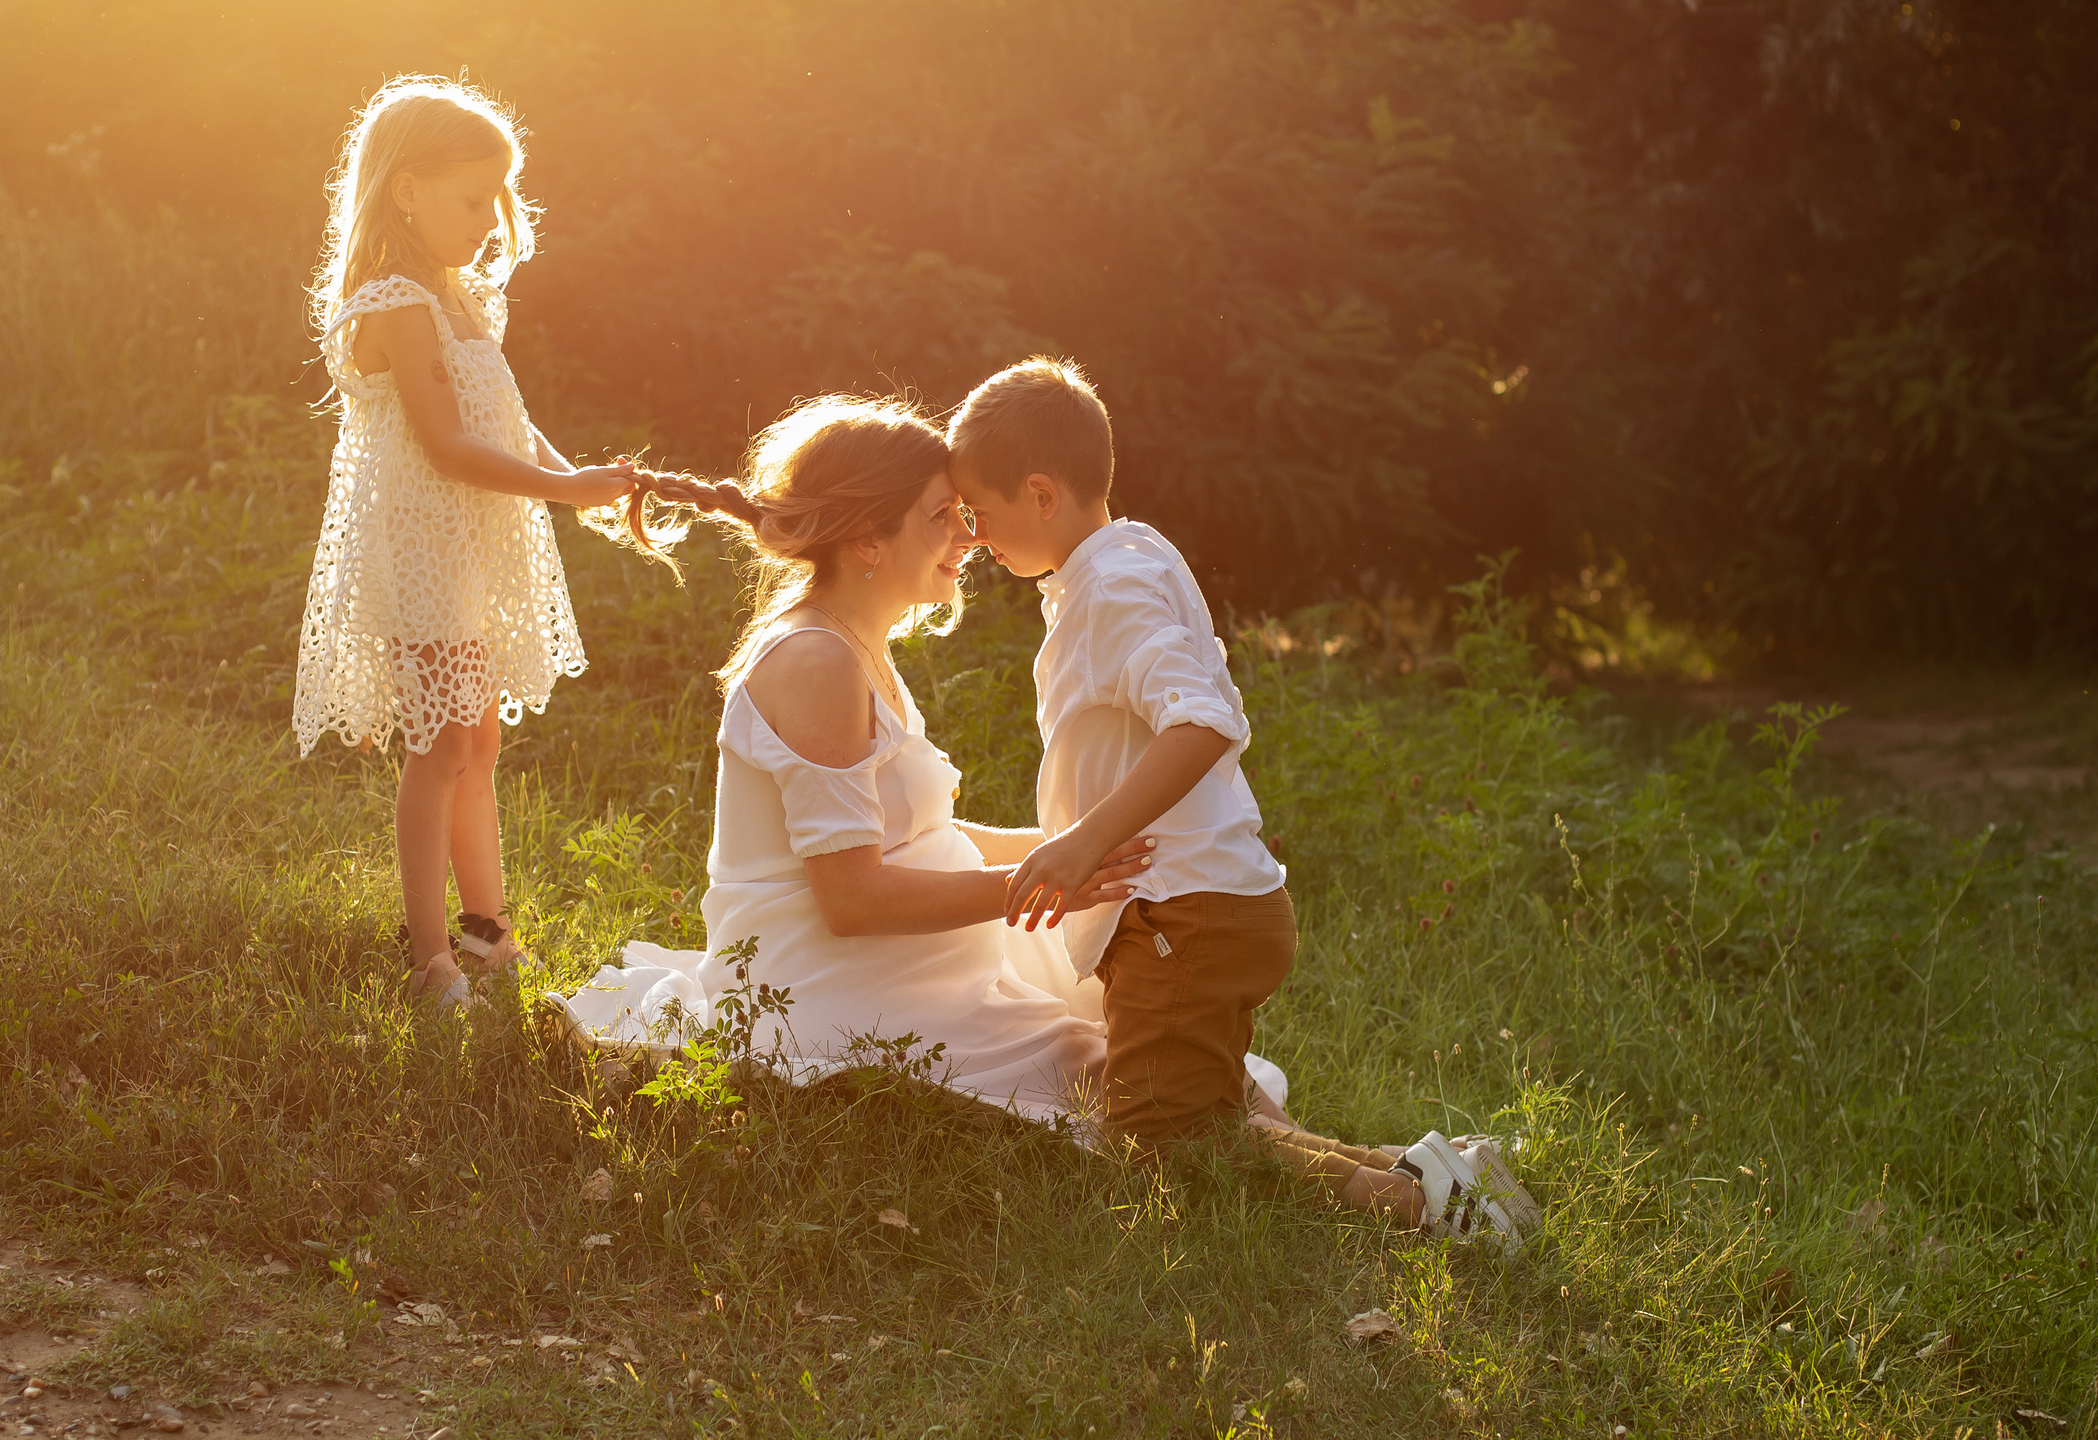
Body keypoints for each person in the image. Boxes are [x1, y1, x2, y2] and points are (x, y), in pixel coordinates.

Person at [947, 357, 1532, 1247]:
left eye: (980, 515)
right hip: (1203, 910)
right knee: (1204, 1109)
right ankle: (1437, 1160)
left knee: (1165, 1147)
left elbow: (1205, 720)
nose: (977, 538)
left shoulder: (1113, 586)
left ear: (1040, 492)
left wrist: (1081, 845)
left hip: (1183, 918)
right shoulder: (1125, 559)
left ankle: (1434, 1210)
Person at [552, 397, 1170, 1120]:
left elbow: (918, 838)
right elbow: (850, 898)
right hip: (829, 984)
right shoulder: (817, 663)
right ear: (868, 541)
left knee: (1148, 1025)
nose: (967, 536)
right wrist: (1041, 884)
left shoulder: (857, 645)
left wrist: (1080, 847)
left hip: (911, 963)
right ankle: (1326, 1178)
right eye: (941, 514)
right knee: (1110, 1070)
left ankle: (1322, 1165)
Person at [292, 76, 636, 1009]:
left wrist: (580, 483)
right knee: (439, 748)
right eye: (472, 197)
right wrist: (562, 489)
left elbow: (507, 425)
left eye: (499, 197)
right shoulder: (398, 302)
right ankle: (430, 957)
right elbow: (446, 447)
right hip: (420, 549)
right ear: (405, 189)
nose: (493, 218)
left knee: (477, 739)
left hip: (472, 548)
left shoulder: (461, 296)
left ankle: (488, 934)